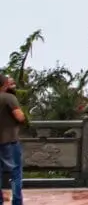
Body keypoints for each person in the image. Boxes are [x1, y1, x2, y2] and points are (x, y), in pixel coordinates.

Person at [0, 74, 26, 205]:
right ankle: (17, 201)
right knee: (15, 172)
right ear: (4, 84)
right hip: (9, 140)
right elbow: (20, 116)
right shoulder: (9, 98)